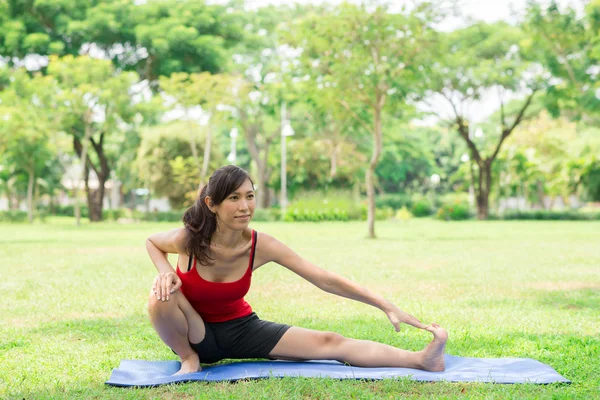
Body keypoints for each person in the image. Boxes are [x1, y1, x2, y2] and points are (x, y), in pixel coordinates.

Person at [146, 165, 447, 375]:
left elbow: (323, 279)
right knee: (160, 295)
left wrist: (385, 305)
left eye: (249, 196)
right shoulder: (189, 238)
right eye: (234, 198)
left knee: (330, 342)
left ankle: (421, 360)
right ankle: (189, 359)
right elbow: (151, 242)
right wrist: (165, 271)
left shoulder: (261, 245)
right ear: (211, 204)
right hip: (193, 330)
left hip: (241, 328)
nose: (245, 207)